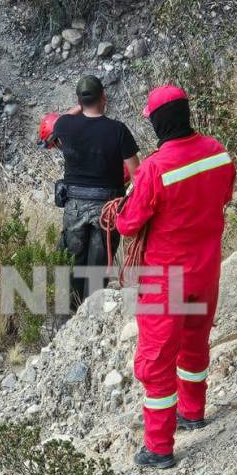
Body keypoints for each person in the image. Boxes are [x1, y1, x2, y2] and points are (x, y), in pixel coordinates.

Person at [113, 85, 236, 469]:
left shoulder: (154, 168)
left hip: (166, 280)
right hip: (205, 271)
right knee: (195, 344)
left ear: (156, 124)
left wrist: (119, 209)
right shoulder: (218, 152)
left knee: (156, 361)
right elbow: (224, 196)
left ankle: (159, 447)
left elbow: (129, 225)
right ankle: (193, 410)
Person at [42, 76, 140, 306]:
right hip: (107, 209)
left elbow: (65, 116)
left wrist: (81, 103)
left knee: (73, 269)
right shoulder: (118, 130)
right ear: (103, 97)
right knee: (97, 273)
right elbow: (138, 174)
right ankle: (91, 320)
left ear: (79, 100)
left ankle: (68, 320)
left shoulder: (65, 125)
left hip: (74, 207)